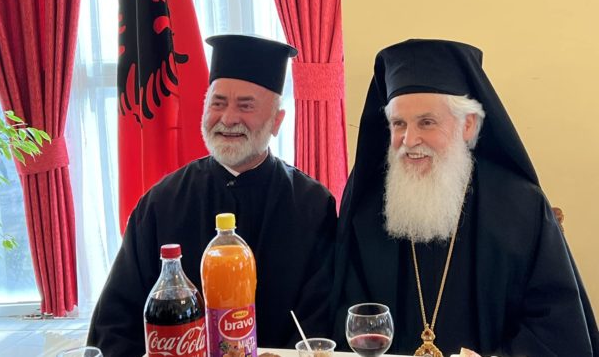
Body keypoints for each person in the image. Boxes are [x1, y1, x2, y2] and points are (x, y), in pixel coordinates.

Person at [331, 39, 598, 357]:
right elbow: (347, 317)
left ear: (468, 125)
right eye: (399, 124)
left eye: (426, 122)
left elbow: (556, 329)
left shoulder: (520, 207)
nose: (409, 140)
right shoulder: (368, 208)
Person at [88, 34, 337, 356]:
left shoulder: (312, 205)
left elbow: (319, 323)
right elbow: (116, 321)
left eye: (245, 106)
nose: (228, 118)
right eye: (218, 103)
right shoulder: (162, 203)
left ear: (276, 121)